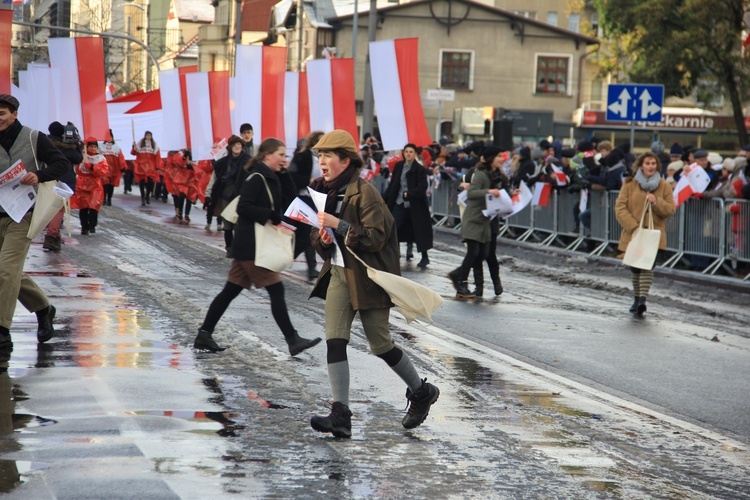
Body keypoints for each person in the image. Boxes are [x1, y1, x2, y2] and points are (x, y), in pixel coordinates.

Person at [308, 129, 439, 438]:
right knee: (335, 339)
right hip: (340, 273)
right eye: (319, 156)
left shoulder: (365, 192)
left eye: (327, 156)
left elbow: (376, 237)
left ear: (345, 159)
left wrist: (337, 225)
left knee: (380, 345)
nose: (322, 162)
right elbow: (318, 236)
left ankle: (421, 391)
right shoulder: (320, 191)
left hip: (368, 278)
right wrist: (323, 239)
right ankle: (340, 414)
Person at [192, 138, 321, 355]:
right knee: (276, 289)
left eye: (285, 155)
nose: (284, 158)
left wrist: (282, 172)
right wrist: (269, 215)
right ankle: (293, 340)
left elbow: (290, 197)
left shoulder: (270, 175)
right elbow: (243, 207)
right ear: (267, 154)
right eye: (280, 155)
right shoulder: (257, 177)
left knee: (229, 291)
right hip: (253, 246)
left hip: (248, 245)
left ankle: (204, 334)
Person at [0, 94, 69, 350]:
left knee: (6, 270)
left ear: (14, 114)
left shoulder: (33, 137)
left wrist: (38, 175)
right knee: (7, 272)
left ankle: (3, 330)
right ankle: (43, 309)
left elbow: (62, 164)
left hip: (22, 215)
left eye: (2, 114)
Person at [615, 152, 676, 316]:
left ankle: (642, 299)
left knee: (647, 265)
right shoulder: (629, 184)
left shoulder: (664, 186)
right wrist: (634, 227)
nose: (650, 166)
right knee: (635, 267)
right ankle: (636, 298)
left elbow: (671, 209)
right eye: (647, 163)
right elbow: (620, 208)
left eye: (653, 164)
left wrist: (656, 201)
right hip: (633, 233)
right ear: (641, 165)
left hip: (654, 235)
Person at [448, 145, 509, 299]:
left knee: (483, 253)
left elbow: (501, 193)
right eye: (499, 157)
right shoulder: (481, 174)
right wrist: (488, 191)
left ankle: (457, 274)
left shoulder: (496, 175)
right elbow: (473, 193)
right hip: (474, 218)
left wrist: (511, 195)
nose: (502, 160)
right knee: (473, 252)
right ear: (490, 159)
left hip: (485, 221)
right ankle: (461, 282)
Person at [383, 144, 433, 268]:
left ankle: (424, 257)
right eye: (406, 151)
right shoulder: (399, 166)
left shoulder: (420, 169)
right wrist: (383, 198)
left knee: (419, 230)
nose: (409, 154)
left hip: (415, 205)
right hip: (399, 202)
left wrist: (410, 194)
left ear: (415, 153)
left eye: (411, 152)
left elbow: (422, 187)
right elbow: (393, 184)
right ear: (403, 153)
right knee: (393, 226)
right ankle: (393, 253)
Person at [206, 135, 251, 257]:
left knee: (237, 224)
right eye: (235, 144)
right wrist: (208, 193)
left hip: (239, 197)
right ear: (230, 147)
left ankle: (237, 249)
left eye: (239, 145)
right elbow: (214, 178)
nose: (237, 147)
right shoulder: (223, 162)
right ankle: (229, 249)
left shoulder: (248, 161)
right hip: (225, 196)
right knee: (227, 226)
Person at [289, 130, 324, 280]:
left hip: (317, 200)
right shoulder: (302, 156)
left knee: (305, 234)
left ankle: (286, 257)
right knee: (307, 233)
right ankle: (311, 267)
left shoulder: (324, 158)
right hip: (303, 198)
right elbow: (292, 176)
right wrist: (308, 180)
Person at [43, 121, 82, 252]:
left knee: (48, 207)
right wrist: (77, 146)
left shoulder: (45, 143)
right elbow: (78, 159)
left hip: (46, 178)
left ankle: (53, 234)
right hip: (64, 181)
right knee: (58, 209)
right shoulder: (68, 147)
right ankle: (52, 235)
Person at [73, 138, 109, 235]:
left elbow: (104, 171)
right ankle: (84, 227)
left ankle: (92, 225)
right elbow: (76, 168)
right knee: (83, 207)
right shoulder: (81, 156)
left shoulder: (100, 158)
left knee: (94, 206)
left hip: (95, 185)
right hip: (82, 184)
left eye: (94, 147)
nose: (93, 148)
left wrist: (92, 167)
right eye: (91, 146)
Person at [131, 131, 161, 206]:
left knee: (150, 183)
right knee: (142, 182)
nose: (148, 137)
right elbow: (134, 153)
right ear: (145, 136)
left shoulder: (154, 145)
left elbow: (157, 156)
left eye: (150, 136)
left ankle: (147, 195)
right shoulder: (140, 144)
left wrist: (157, 166)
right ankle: (142, 198)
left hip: (150, 167)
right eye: (147, 135)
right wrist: (133, 147)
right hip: (141, 166)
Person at [100, 132, 127, 207]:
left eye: (110, 137)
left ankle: (109, 199)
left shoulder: (116, 147)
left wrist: (123, 168)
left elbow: (121, 158)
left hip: (114, 169)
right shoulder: (101, 146)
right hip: (104, 168)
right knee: (105, 184)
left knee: (111, 185)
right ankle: (104, 199)